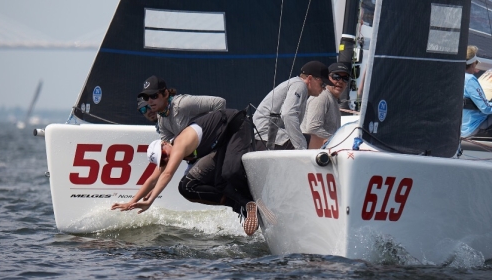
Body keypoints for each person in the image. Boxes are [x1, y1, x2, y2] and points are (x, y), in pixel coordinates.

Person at [112, 109, 260, 235]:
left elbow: (167, 174)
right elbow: (152, 178)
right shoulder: (168, 152)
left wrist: (150, 201)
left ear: (164, 143)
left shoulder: (179, 143)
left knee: (229, 173)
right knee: (220, 184)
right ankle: (245, 205)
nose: (166, 158)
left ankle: (252, 197)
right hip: (224, 140)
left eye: (163, 154)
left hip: (237, 124)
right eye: (162, 159)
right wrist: (132, 202)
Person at [137, 75, 225, 163]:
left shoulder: (182, 104)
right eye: (146, 98)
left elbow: (219, 102)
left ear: (166, 94)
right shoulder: (161, 119)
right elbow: (169, 151)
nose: (149, 101)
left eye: (153, 96)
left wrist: (215, 141)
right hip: (199, 160)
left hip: (218, 153)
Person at [252, 60, 331, 150]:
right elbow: (288, 114)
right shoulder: (300, 85)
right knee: (320, 142)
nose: (324, 89)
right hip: (266, 137)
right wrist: (301, 147)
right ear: (309, 78)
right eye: (323, 84)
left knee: (315, 139)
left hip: (261, 138)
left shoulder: (296, 84)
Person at [301, 62, 350, 149]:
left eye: (345, 78)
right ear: (327, 78)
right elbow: (312, 128)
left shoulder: (333, 99)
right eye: (336, 77)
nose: (340, 81)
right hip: (311, 155)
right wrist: (339, 140)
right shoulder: (322, 96)